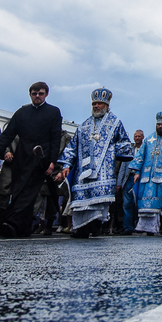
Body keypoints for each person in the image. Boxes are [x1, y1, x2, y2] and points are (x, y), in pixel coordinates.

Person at [0, 82, 63, 238]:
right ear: (30, 94)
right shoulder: (22, 112)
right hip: (21, 158)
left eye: (40, 93)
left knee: (28, 193)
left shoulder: (53, 112)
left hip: (41, 159)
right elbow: (7, 136)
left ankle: (10, 223)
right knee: (18, 191)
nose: (37, 96)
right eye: (34, 93)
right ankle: (23, 227)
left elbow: (56, 138)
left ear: (46, 94)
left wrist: (52, 162)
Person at [57, 87, 134, 238]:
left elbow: (125, 143)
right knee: (82, 201)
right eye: (94, 104)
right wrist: (66, 165)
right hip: (83, 172)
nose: (96, 106)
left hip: (103, 171)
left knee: (98, 203)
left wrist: (113, 150)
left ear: (106, 105)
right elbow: (72, 147)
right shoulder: (84, 126)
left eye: (99, 104)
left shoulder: (115, 123)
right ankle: (81, 228)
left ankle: (95, 226)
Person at [129, 111, 162, 235]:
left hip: (161, 177)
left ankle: (154, 227)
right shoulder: (148, 139)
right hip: (145, 176)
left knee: (157, 202)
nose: (160, 126)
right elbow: (140, 156)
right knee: (143, 201)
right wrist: (137, 172)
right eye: (158, 124)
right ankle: (142, 226)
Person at [121, 129, 144, 235]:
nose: (137, 138)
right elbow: (123, 165)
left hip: (141, 178)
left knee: (139, 204)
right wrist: (119, 182)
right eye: (135, 136)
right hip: (129, 178)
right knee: (127, 204)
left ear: (142, 137)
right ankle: (128, 227)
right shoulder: (130, 149)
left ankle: (139, 225)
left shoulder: (145, 149)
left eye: (139, 136)